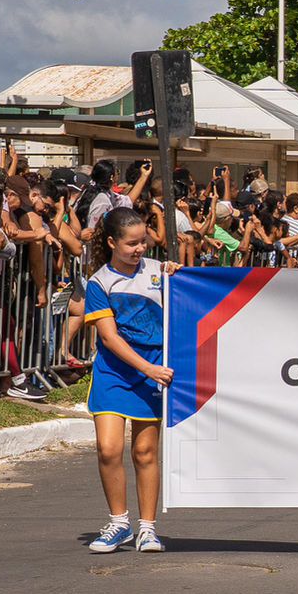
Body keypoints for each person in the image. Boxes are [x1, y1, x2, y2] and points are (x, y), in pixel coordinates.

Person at [83, 208, 177, 555]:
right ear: (111, 242)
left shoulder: (159, 273)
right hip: (115, 371)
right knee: (108, 449)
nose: (140, 249)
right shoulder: (99, 283)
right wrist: (146, 369)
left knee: (144, 451)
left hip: (153, 368)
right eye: (131, 243)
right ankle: (119, 522)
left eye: (143, 242)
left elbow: (185, 305)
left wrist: (179, 276)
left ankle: (147, 529)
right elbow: (109, 338)